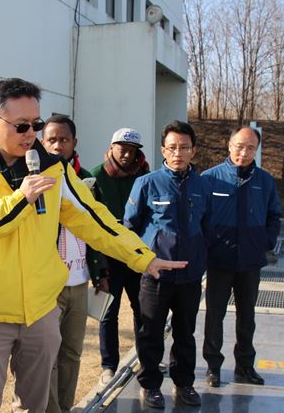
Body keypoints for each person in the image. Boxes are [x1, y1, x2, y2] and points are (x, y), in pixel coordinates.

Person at [0, 78, 185, 413]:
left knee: (34, 406)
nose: (31, 134)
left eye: (36, 125)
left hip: (41, 309)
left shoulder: (54, 168)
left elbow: (96, 220)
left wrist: (143, 258)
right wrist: (20, 199)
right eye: (22, 126)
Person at [124, 121, 210, 410]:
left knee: (185, 333)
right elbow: (130, 227)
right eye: (172, 147)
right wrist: (144, 259)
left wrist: (201, 261)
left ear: (193, 150)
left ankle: (184, 384)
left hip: (189, 276)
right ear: (163, 150)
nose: (178, 153)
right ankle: (150, 385)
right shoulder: (147, 183)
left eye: (184, 147)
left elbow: (207, 226)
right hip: (156, 275)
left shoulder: (203, 185)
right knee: (151, 332)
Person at [201, 127, 281, 388]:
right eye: (239, 146)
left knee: (247, 315)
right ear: (229, 145)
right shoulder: (210, 178)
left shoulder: (265, 181)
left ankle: (245, 366)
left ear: (256, 150)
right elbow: (200, 217)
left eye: (250, 148)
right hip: (219, 260)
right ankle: (213, 367)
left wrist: (265, 242)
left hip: (250, 261)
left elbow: (274, 215)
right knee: (215, 315)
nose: (243, 153)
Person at [41, 115, 106, 413]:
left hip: (79, 282)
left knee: (72, 352)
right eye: (51, 140)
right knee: (47, 356)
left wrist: (101, 271)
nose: (57, 146)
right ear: (43, 143)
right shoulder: (35, 181)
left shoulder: (87, 182)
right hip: (48, 286)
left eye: (63, 140)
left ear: (74, 143)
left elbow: (100, 229)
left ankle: (65, 407)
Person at [90, 126, 151, 386]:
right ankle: (109, 365)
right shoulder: (93, 177)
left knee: (143, 310)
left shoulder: (145, 176)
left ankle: (146, 358)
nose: (126, 154)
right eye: (121, 148)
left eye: (132, 150)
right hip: (107, 257)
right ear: (111, 148)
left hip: (136, 255)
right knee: (108, 312)